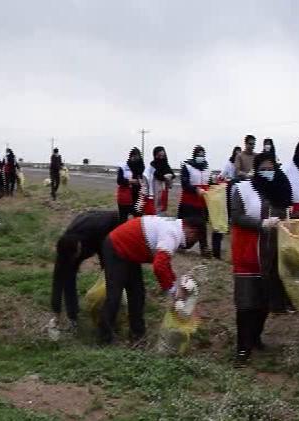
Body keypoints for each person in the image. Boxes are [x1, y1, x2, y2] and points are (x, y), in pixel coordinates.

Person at [98, 215, 202, 344]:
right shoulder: (172, 233)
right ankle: (104, 337)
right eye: (195, 239)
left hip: (130, 252)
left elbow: (165, 263)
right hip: (117, 247)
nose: (192, 243)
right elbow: (159, 266)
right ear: (192, 231)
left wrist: (174, 286)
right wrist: (172, 290)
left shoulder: (175, 227)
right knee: (114, 295)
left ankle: (137, 336)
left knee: (137, 294)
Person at [230, 152, 292, 366]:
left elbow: (286, 219)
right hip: (249, 253)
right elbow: (236, 217)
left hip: (272, 254)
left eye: (271, 167)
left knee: (265, 301)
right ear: (256, 168)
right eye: (264, 167)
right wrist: (261, 224)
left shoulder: (280, 192)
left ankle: (256, 338)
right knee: (246, 302)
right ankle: (242, 348)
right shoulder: (242, 189)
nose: (268, 171)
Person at [51, 210, 121, 332]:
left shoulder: (98, 228)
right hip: (87, 235)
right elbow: (57, 282)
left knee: (111, 274)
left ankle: (111, 313)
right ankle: (73, 317)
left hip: (111, 226)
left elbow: (104, 253)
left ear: (79, 248)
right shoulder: (65, 248)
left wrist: (105, 271)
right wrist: (56, 313)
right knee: (67, 277)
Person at [178, 145, 213, 256]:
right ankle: (181, 243)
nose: (201, 157)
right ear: (194, 155)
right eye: (198, 155)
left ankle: (204, 248)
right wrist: (195, 189)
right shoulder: (187, 167)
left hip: (202, 202)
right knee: (187, 225)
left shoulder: (207, 168)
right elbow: (185, 184)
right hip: (189, 202)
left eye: (202, 155)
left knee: (202, 225)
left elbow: (210, 182)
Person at [211, 146, 242, 260]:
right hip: (227, 194)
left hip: (237, 195)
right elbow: (221, 176)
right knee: (222, 222)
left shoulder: (242, 167)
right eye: (236, 153)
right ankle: (216, 252)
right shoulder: (229, 165)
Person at [116, 148, 147, 222]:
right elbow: (119, 181)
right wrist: (131, 181)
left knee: (138, 217)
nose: (135, 159)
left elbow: (145, 181)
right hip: (126, 196)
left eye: (137, 157)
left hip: (138, 196)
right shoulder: (123, 167)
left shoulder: (142, 168)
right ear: (130, 157)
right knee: (123, 218)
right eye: (133, 157)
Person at [144, 146, 175, 216]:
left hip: (163, 198)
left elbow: (170, 185)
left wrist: (169, 178)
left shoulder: (166, 166)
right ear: (155, 155)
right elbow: (146, 183)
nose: (161, 157)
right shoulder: (151, 168)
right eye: (159, 155)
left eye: (163, 155)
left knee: (162, 216)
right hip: (152, 197)